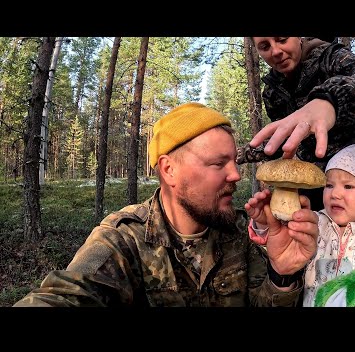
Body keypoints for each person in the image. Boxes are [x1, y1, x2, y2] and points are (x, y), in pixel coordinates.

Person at [14, 102, 319, 307]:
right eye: (218, 163)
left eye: (234, 161)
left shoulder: (241, 233)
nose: (236, 174)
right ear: (169, 170)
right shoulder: (123, 239)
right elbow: (69, 293)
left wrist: (282, 274)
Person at [237, 37, 355, 211]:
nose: (276, 51)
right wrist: (239, 155)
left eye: (282, 39)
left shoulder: (330, 57)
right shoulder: (272, 92)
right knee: (312, 233)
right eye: (264, 46)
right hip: (311, 177)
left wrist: (331, 100)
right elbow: (283, 138)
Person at [246, 143, 355, 307]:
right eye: (329, 185)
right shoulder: (315, 223)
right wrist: (264, 223)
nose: (335, 194)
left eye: (348, 187)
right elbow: (283, 238)